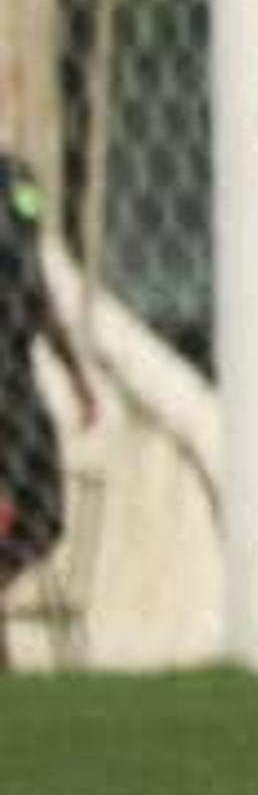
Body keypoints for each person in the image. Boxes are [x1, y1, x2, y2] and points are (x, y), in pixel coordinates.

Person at [1, 148, 99, 601]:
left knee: (45, 518)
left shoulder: (18, 177)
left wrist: (76, 374)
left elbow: (34, 282)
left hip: (17, 376)